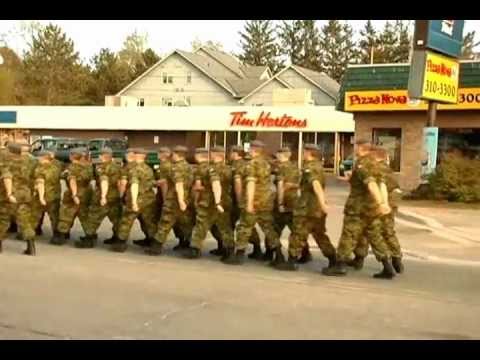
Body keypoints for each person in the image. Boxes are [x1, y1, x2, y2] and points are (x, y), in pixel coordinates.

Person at [323, 140, 394, 279]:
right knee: (375, 237)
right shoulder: (376, 164)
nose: (354, 149)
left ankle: (340, 265)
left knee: (349, 235)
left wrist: (381, 203)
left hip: (358, 208)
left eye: (356, 146)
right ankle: (388, 267)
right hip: (372, 209)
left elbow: (371, 184)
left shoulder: (362, 164)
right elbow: (382, 185)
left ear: (360, 148)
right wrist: (383, 203)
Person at [222, 140, 286, 266]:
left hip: (254, 201)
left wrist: (249, 203)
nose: (248, 151)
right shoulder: (265, 164)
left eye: (250, 149)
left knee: (244, 227)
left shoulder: (251, 164)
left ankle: (239, 255)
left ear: (253, 150)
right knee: (269, 229)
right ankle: (279, 256)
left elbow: (251, 183)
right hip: (265, 201)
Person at [275, 144, 336, 271]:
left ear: (309, 153)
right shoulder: (318, 166)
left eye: (304, 151)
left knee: (297, 234)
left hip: (308, 209)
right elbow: (310, 185)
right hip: (315, 208)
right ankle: (334, 260)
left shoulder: (310, 167)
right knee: (319, 235)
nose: (302, 153)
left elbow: (316, 184)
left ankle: (292, 261)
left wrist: (323, 203)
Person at [183, 147, 234, 259]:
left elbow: (215, 184)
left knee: (201, 225)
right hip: (225, 201)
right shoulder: (228, 169)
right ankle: (229, 250)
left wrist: (216, 201)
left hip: (209, 202)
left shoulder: (211, 169)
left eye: (211, 154)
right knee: (225, 226)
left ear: (216, 155)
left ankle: (194, 249)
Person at [146, 145, 194, 255]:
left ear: (176, 154)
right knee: (185, 223)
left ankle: (156, 247)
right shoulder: (188, 166)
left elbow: (178, 185)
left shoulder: (176, 167)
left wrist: (170, 199)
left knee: (165, 222)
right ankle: (189, 244)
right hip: (186, 198)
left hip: (174, 199)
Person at [114, 148, 158, 252]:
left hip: (136, 199)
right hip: (149, 199)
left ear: (136, 155)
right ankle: (152, 241)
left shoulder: (133, 169)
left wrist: (129, 200)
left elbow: (133, 185)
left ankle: (120, 243)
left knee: (126, 221)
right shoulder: (149, 169)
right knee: (149, 221)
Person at [78, 147, 122, 248]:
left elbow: (104, 181)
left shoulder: (102, 167)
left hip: (103, 196)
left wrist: (103, 196)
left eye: (100, 155)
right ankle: (117, 238)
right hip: (114, 196)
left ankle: (88, 239)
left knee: (93, 218)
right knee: (116, 219)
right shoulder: (117, 166)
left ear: (103, 156)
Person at [0, 143, 36, 255]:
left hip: (7, 195)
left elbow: (7, 177)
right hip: (24, 194)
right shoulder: (28, 161)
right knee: (24, 219)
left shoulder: (6, 162)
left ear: (10, 151)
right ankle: (31, 247)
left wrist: (10, 193)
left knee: (3, 219)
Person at [52, 148, 93, 245]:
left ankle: (62, 235)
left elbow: (72, 180)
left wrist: (74, 194)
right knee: (85, 215)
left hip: (74, 193)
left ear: (72, 156)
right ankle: (90, 235)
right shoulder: (88, 166)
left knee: (66, 214)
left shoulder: (72, 167)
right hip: (86, 192)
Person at [228, 145, 263, 260]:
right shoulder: (245, 164)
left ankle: (236, 252)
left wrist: (238, 200)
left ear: (235, 153)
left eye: (231, 152)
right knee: (248, 225)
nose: (229, 154)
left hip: (238, 199)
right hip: (245, 199)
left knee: (239, 225)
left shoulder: (238, 165)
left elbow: (238, 184)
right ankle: (256, 248)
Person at [272, 147, 302, 257]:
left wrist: (280, 203)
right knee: (295, 229)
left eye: (278, 154)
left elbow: (280, 186)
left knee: (274, 229)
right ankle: (304, 253)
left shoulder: (281, 168)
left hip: (284, 201)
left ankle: (276, 255)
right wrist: (293, 186)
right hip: (294, 201)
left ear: (281, 155)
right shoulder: (295, 167)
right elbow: (301, 184)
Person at [31, 150, 62, 243]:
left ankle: (35, 230)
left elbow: (40, 183)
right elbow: (56, 161)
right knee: (54, 216)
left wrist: (41, 197)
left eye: (39, 157)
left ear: (43, 157)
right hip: (55, 195)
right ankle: (57, 235)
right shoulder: (56, 166)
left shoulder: (40, 169)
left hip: (44, 195)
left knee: (36, 214)